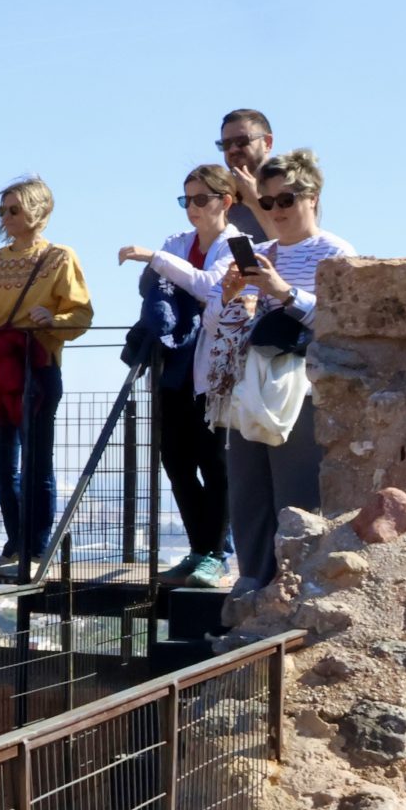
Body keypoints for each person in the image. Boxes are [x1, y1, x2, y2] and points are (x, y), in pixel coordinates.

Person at [123, 149, 352, 596]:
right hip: (247, 387)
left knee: (293, 494)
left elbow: (339, 323)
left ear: (313, 197)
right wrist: (227, 297)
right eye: (266, 202)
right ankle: (251, 587)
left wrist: (284, 292)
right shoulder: (258, 252)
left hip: (299, 391)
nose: (276, 210)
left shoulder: (335, 252)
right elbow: (215, 325)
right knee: (248, 493)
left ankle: (294, 589)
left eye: (286, 200)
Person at [0, 178, 92, 577]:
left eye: (13, 209)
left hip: (38, 369)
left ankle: (35, 550)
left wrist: (53, 319)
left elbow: (81, 314)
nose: (6, 217)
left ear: (39, 211)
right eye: (2, 210)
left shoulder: (60, 257)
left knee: (36, 462)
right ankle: (18, 543)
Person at [121, 166, 241, 587]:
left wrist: (157, 260)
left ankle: (217, 554)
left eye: (201, 199)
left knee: (215, 463)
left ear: (226, 201)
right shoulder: (178, 242)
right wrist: (165, 267)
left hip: (215, 371)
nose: (192, 208)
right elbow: (153, 287)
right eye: (186, 199)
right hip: (173, 368)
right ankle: (198, 549)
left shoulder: (237, 245)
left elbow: (210, 287)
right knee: (175, 460)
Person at [217, 108, 275, 241]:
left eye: (242, 141)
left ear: (267, 143)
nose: (233, 149)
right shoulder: (219, 193)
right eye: (226, 144)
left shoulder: (289, 188)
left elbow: (295, 244)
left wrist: (254, 201)